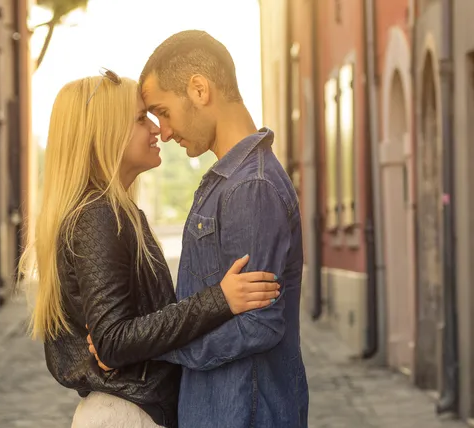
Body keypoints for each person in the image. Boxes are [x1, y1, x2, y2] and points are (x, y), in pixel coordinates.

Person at [18, 69, 280, 428]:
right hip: (126, 414)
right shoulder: (98, 216)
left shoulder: (114, 212)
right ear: (104, 134)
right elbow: (112, 341)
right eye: (141, 119)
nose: (156, 129)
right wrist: (219, 299)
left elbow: (118, 336)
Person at [90, 30, 309, 427]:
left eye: (164, 112)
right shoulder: (227, 183)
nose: (165, 132)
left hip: (243, 413)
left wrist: (151, 350)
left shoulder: (250, 187)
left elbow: (259, 325)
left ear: (199, 89)